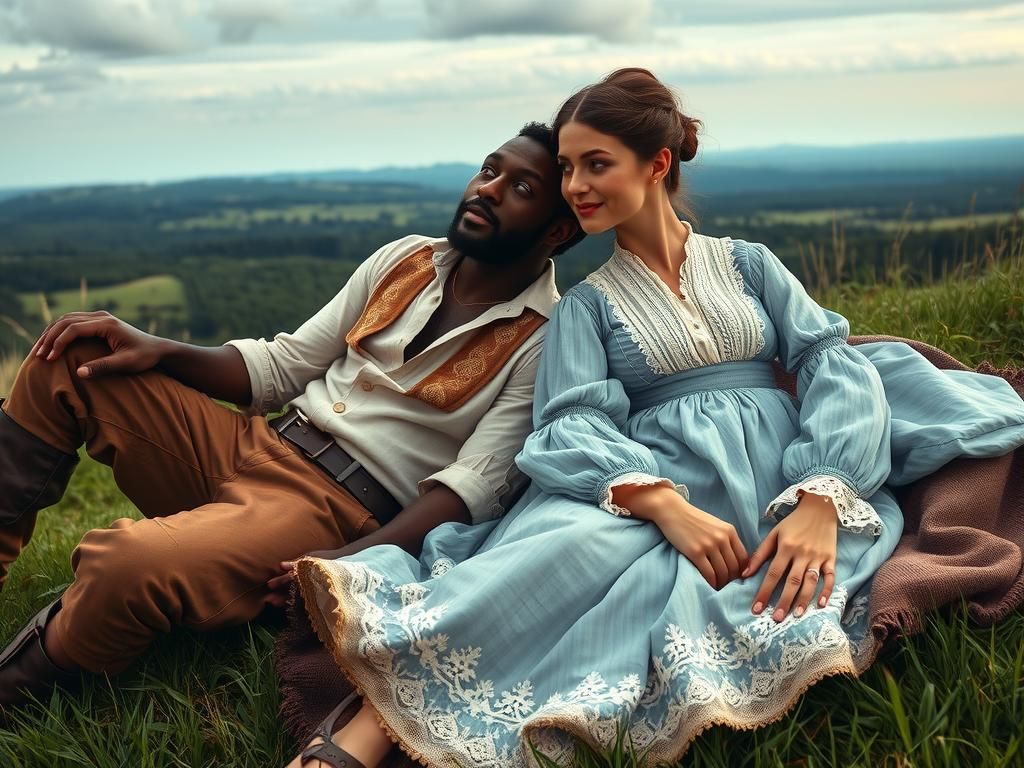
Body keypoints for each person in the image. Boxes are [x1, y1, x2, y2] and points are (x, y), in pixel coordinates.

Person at [277, 69, 1024, 768]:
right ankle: (366, 730)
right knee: (561, 550)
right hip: (650, 478)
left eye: (594, 164)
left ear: (657, 163)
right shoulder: (586, 307)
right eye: (567, 170)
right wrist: (660, 502)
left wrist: (823, 498)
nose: (575, 186)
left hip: (775, 479)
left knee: (669, 584)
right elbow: (567, 423)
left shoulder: (749, 264)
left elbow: (833, 365)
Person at [0, 122, 582, 709]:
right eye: (489, 170)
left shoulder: (545, 336)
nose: (488, 189)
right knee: (75, 355)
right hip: (252, 443)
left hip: (327, 512)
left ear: (557, 230)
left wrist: (348, 562)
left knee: (127, 566)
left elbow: (470, 488)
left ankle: (15, 691)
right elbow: (283, 366)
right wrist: (158, 348)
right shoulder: (404, 259)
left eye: (522, 189)